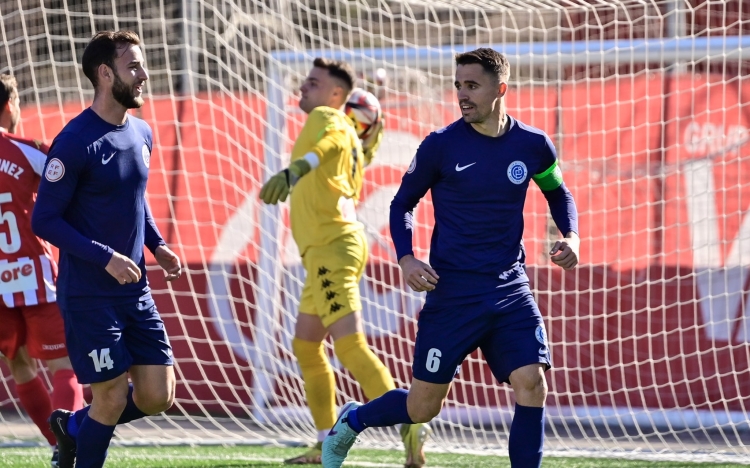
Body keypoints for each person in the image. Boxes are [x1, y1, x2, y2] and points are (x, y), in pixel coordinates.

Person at [322, 48, 580, 468]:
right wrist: (405, 258)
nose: (462, 94)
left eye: (472, 85)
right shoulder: (441, 145)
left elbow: (557, 191)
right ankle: (354, 419)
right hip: (452, 295)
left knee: (532, 383)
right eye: (458, 85)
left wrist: (571, 236)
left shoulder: (533, 145)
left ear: (501, 89)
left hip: (510, 289)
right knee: (423, 408)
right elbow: (402, 204)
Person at [259, 58, 430, 467]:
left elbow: (327, 147)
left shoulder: (327, 118)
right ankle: (325, 441)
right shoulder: (351, 132)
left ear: (337, 96)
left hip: (331, 247)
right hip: (328, 248)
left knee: (350, 345)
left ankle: (410, 418)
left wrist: (294, 170)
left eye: (314, 83)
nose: (303, 88)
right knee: (305, 344)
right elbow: (349, 147)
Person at [31, 31, 182, 468]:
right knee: (111, 397)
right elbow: (44, 220)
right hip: (89, 295)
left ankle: (75, 427)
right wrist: (105, 257)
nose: (144, 75)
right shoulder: (75, 141)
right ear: (105, 73)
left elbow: (133, 199)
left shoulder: (143, 132)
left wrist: (158, 244)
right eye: (133, 66)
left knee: (158, 396)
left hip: (135, 290)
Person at [0, 73, 85, 468]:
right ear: (11, 105)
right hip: (33, 277)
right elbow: (74, 184)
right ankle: (69, 446)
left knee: (18, 364)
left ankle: (57, 447)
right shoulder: (27, 150)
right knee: (64, 366)